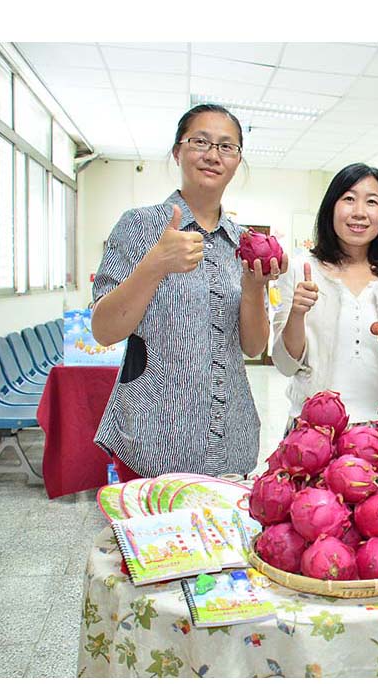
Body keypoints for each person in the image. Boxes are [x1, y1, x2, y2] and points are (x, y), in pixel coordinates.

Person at [91, 104, 286, 481]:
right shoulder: (140, 226)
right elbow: (103, 330)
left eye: (227, 147)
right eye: (201, 142)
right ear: (178, 152)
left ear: (237, 161)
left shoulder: (242, 241)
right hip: (154, 439)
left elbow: (253, 346)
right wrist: (155, 264)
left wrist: (253, 289)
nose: (213, 155)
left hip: (231, 435)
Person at [271, 163, 378, 427]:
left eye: (372, 202)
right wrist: (297, 313)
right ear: (331, 207)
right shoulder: (300, 269)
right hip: (315, 432)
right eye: (349, 199)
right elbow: (286, 364)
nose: (360, 212)